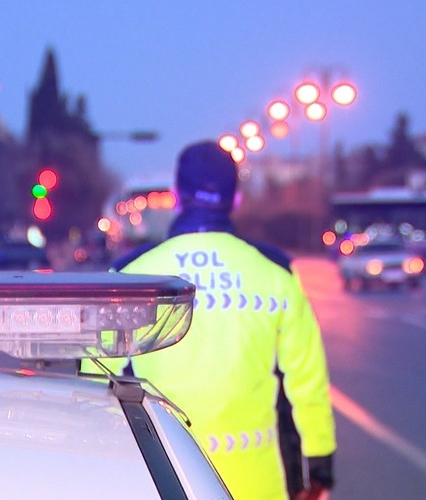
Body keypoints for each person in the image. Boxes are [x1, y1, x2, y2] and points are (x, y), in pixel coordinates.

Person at [85, 140, 337, 500]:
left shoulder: (132, 275)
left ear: (176, 196)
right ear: (235, 200)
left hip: (159, 477)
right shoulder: (275, 273)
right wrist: (320, 464)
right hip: (255, 483)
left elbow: (95, 383)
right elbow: (307, 380)